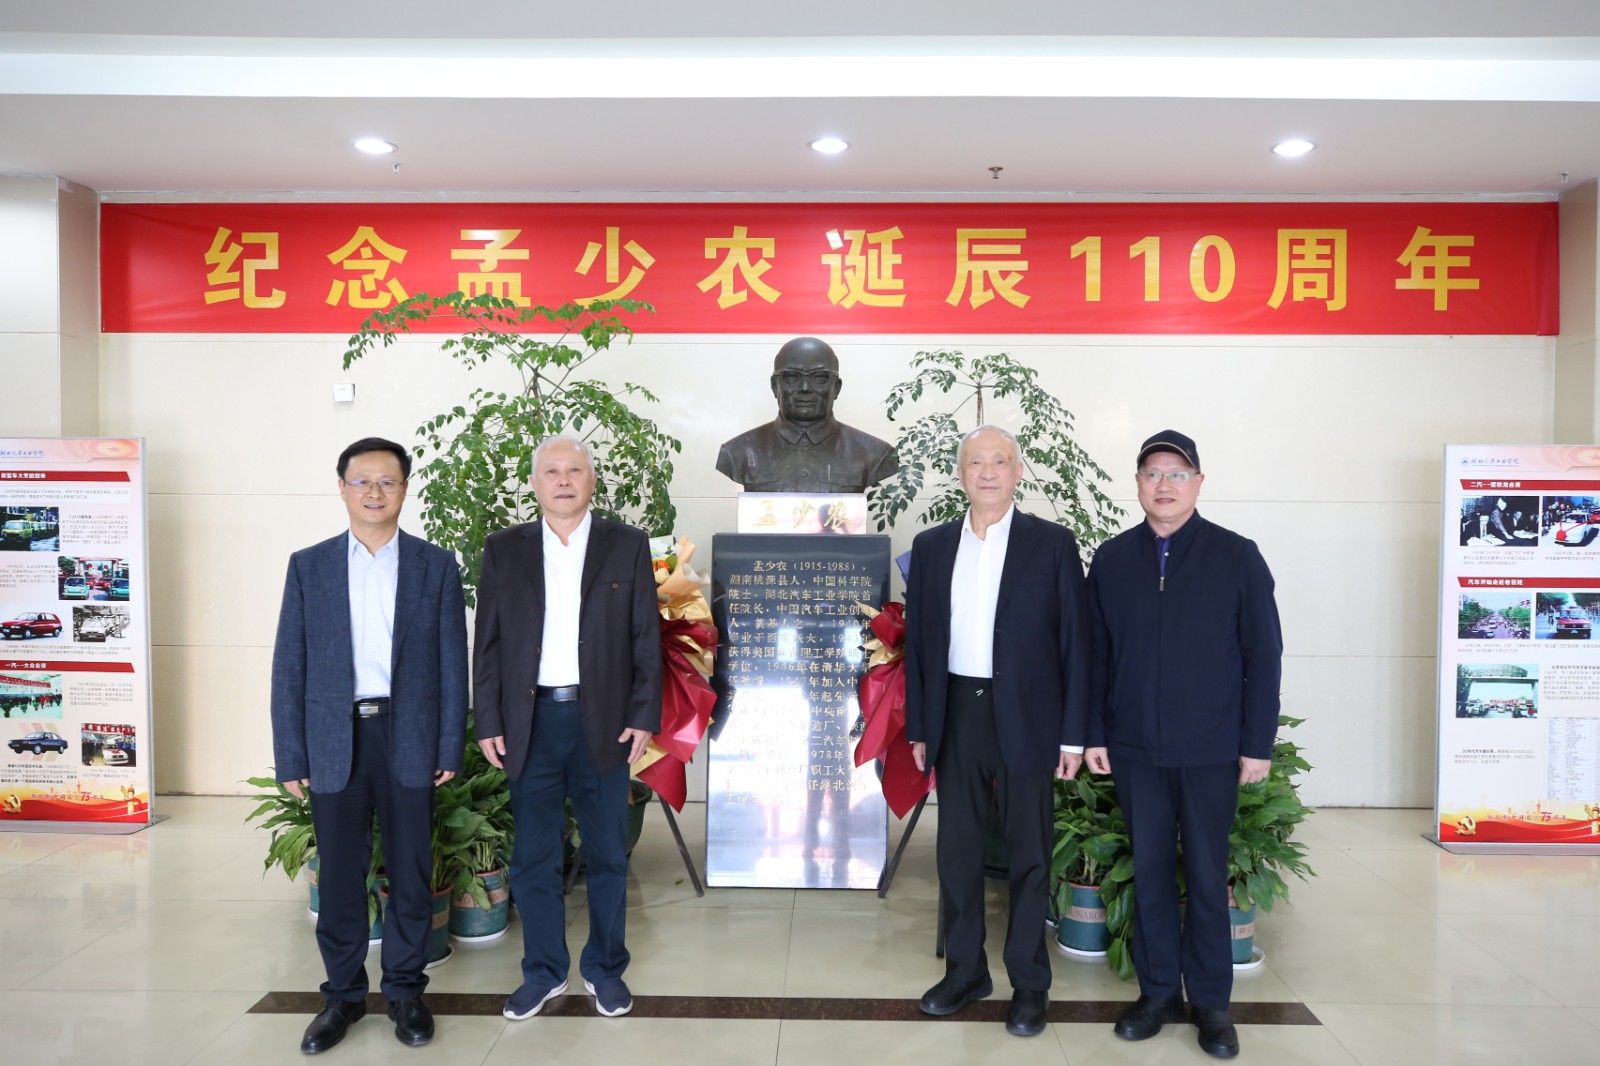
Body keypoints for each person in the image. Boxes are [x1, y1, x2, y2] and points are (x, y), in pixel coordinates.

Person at [1084, 430, 1283, 1060]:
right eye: (1152, 473)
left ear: (1198, 483)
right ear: (1138, 484)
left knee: (1204, 874)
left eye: (1177, 473)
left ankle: (1213, 1005)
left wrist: (1257, 744)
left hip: (1210, 748)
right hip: (1135, 748)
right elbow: (1095, 655)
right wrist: (1094, 732)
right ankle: (1159, 993)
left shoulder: (1236, 556)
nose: (1164, 485)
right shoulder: (1113, 560)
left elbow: (1263, 655)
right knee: (1148, 873)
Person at [270, 436, 468, 1054]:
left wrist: (448, 745)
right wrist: (291, 754)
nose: (375, 492)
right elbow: (289, 667)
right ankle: (342, 997)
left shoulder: (435, 565)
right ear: (342, 488)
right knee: (340, 875)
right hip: (335, 737)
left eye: (388, 481)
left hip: (408, 735)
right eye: (362, 481)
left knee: (411, 873)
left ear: (405, 489)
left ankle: (405, 992)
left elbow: (451, 663)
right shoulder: (309, 566)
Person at [903, 425, 1089, 1038]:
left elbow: (1076, 642)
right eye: (976, 462)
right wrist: (921, 725)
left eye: (1000, 462)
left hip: (1028, 717)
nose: (987, 472)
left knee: (1029, 852)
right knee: (957, 851)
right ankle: (965, 973)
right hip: (957, 712)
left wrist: (1071, 735)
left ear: (1018, 472)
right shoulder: (932, 547)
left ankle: (1030, 983)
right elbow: (920, 646)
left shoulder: (1051, 544)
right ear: (961, 474)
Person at [473, 435, 662, 1021]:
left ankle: (605, 970)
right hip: (529, 722)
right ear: (534, 483)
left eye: (574, 470)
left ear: (591, 480)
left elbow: (645, 637)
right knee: (534, 856)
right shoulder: (504, 549)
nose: (562, 480)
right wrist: (489, 719)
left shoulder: (625, 544)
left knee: (608, 853)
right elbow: (488, 644)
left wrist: (643, 714)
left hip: (603, 722)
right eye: (551, 471)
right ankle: (544, 971)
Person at [715, 336, 899, 493]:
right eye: (791, 377)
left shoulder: (874, 453)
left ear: (836, 388)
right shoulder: (737, 452)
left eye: (819, 378)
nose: (805, 388)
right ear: (774, 386)